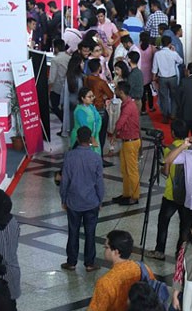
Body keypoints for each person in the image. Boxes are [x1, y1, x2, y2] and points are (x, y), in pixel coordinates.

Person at [60, 127, 105, 272]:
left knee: (73, 231)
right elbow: (99, 182)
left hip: (73, 202)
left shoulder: (69, 156)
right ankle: (90, 263)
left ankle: (71, 262)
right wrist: (100, 200)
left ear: (78, 139)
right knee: (90, 233)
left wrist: (64, 199)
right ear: (90, 139)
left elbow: (65, 180)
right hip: (91, 201)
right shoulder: (96, 158)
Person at [147, 120, 188, 261]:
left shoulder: (169, 149)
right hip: (187, 194)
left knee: (163, 222)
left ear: (173, 133)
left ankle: (160, 250)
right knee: (184, 225)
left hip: (171, 194)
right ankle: (180, 253)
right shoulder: (191, 149)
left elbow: (166, 171)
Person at [111, 81, 141, 206]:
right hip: (127, 141)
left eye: (116, 89)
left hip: (131, 142)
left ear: (121, 92)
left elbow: (120, 123)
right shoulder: (127, 103)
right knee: (125, 169)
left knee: (132, 170)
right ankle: (126, 194)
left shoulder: (128, 106)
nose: (115, 91)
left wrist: (113, 134)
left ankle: (134, 196)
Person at [84, 59, 114, 154]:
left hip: (89, 108)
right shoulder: (101, 82)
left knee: (91, 132)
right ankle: (99, 154)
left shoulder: (87, 79)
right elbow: (111, 95)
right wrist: (103, 97)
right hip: (99, 108)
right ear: (99, 68)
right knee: (101, 134)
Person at [152, 35, 182, 124]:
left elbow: (154, 68)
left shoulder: (157, 54)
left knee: (164, 97)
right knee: (173, 96)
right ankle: (173, 114)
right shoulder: (173, 53)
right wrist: (174, 51)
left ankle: (165, 115)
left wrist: (154, 77)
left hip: (162, 78)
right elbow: (180, 61)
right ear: (170, 43)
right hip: (172, 77)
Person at [70, 86, 102, 154]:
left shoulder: (91, 107)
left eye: (93, 96)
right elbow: (84, 127)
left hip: (92, 136)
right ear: (83, 98)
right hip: (82, 138)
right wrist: (92, 139)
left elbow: (98, 119)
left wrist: (95, 134)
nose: (92, 98)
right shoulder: (80, 111)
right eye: (89, 97)